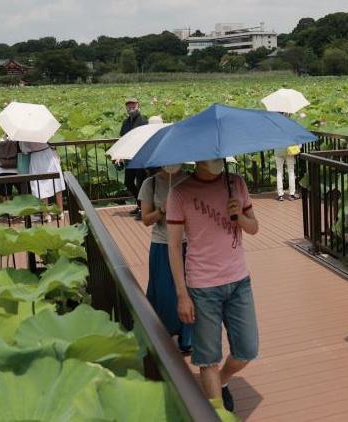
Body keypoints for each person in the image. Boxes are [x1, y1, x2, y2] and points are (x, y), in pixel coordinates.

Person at [167, 159, 259, 413]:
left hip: (239, 281)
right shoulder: (180, 193)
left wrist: (239, 215)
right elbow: (174, 246)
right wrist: (181, 294)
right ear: (197, 158)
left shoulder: (236, 183)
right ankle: (216, 411)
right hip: (202, 286)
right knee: (208, 358)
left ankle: (221, 381)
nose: (215, 161)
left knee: (247, 350)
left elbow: (254, 228)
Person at [139, 164, 192, 353]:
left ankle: (188, 338)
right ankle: (163, 335)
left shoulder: (190, 180)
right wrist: (162, 211)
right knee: (164, 294)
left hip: (189, 243)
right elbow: (146, 219)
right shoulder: (150, 184)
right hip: (162, 243)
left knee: (190, 291)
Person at [19, 140, 65, 222]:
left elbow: (24, 150)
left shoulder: (25, 135)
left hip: (35, 158)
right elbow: (52, 143)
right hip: (48, 155)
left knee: (41, 186)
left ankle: (46, 215)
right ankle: (60, 212)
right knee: (56, 183)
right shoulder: (42, 130)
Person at [120, 98, 148, 220]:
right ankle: (140, 204)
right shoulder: (125, 122)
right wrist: (119, 155)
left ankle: (144, 209)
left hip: (140, 157)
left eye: (133, 106)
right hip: (129, 157)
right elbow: (122, 139)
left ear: (138, 107)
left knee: (141, 183)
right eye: (129, 107)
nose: (131, 109)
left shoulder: (143, 121)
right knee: (128, 182)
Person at [0, 135, 23, 203]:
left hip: (2, 170)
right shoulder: (19, 141)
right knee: (24, 192)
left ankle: (7, 212)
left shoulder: (1, 140)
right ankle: (24, 211)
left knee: (5, 195)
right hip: (17, 170)